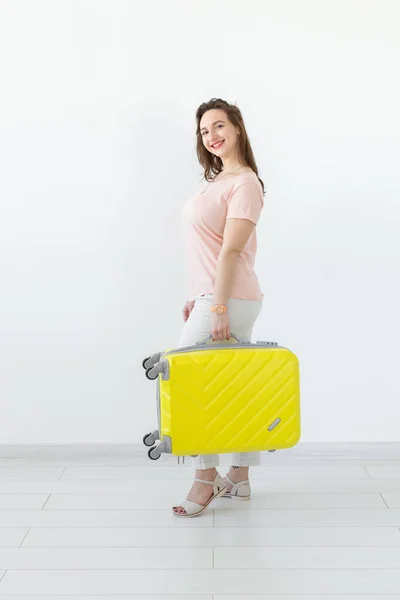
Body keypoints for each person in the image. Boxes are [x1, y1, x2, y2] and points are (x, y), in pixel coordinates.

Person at [172, 98, 266, 517]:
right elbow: (208, 250)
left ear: (238, 128)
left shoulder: (245, 183)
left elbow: (231, 252)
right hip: (217, 298)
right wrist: (199, 295)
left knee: (188, 383)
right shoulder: (218, 182)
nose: (212, 136)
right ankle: (240, 479)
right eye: (204, 131)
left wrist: (220, 308)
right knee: (234, 390)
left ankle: (205, 480)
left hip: (229, 300)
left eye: (219, 126)